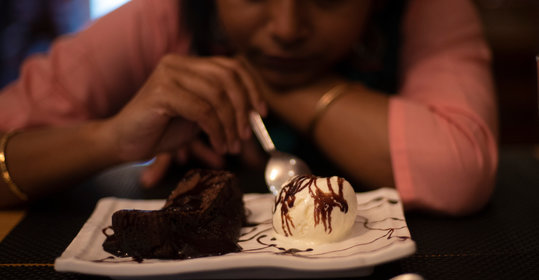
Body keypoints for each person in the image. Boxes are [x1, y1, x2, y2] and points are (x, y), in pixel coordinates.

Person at [0, 0, 498, 215]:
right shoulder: (166, 15)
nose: (286, 27)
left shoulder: (425, 11)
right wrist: (110, 139)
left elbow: (458, 169)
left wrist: (265, 79)